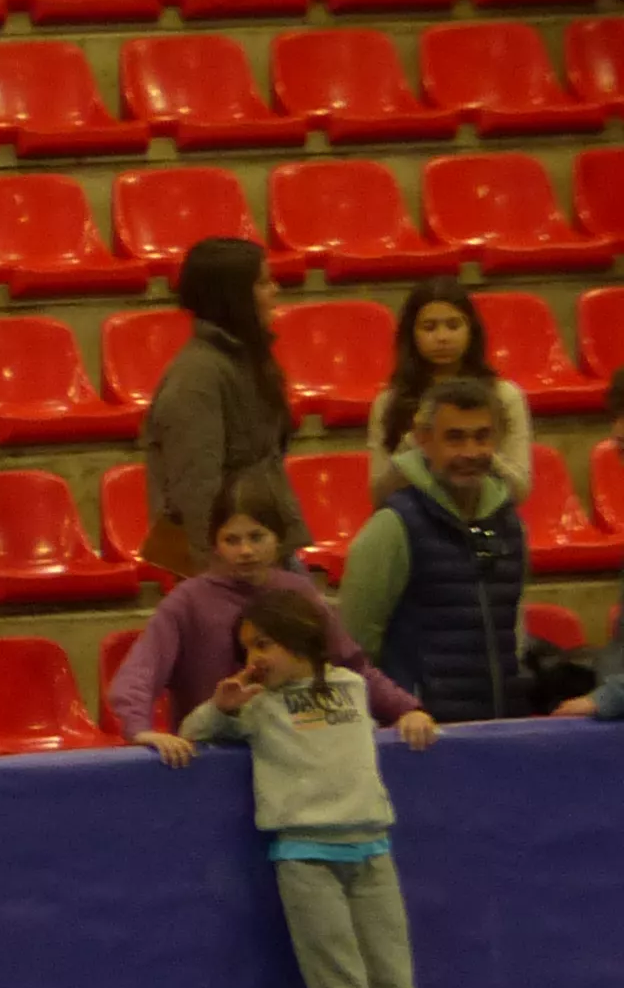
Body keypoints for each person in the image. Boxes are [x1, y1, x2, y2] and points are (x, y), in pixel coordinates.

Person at [181, 582, 464, 988]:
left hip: (372, 852)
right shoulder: (257, 708)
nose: (255, 659)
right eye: (247, 648)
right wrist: (221, 707)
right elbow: (193, 732)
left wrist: (412, 714)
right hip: (306, 859)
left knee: (396, 987)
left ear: (302, 639)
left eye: (265, 644)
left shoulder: (353, 687)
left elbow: (396, 709)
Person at [111, 471, 426, 757]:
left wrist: (405, 710)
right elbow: (140, 674)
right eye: (232, 540)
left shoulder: (300, 594)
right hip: (212, 758)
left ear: (278, 539)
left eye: (256, 537)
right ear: (215, 545)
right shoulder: (185, 603)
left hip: (293, 756)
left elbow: (352, 666)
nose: (245, 550)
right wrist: (140, 730)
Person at [338, 376, 532, 725]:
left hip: (499, 727)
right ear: (424, 440)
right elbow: (354, 646)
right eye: (455, 438)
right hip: (418, 735)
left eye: (482, 436)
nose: (471, 452)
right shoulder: (392, 526)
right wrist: (399, 710)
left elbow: (512, 631)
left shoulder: (511, 525)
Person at [139, 236, 293, 584]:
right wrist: (219, 579)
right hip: (233, 566)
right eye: (263, 283)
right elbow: (196, 492)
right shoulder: (197, 377)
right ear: (234, 297)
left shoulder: (245, 361)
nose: (276, 291)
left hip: (262, 550)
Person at [366, 280, 530, 494]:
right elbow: (380, 495)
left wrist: (477, 451)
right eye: (429, 327)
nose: (442, 337)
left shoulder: (505, 396)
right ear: (411, 335)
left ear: (471, 331)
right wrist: (415, 441)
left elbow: (519, 490)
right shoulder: (388, 403)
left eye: (453, 326)